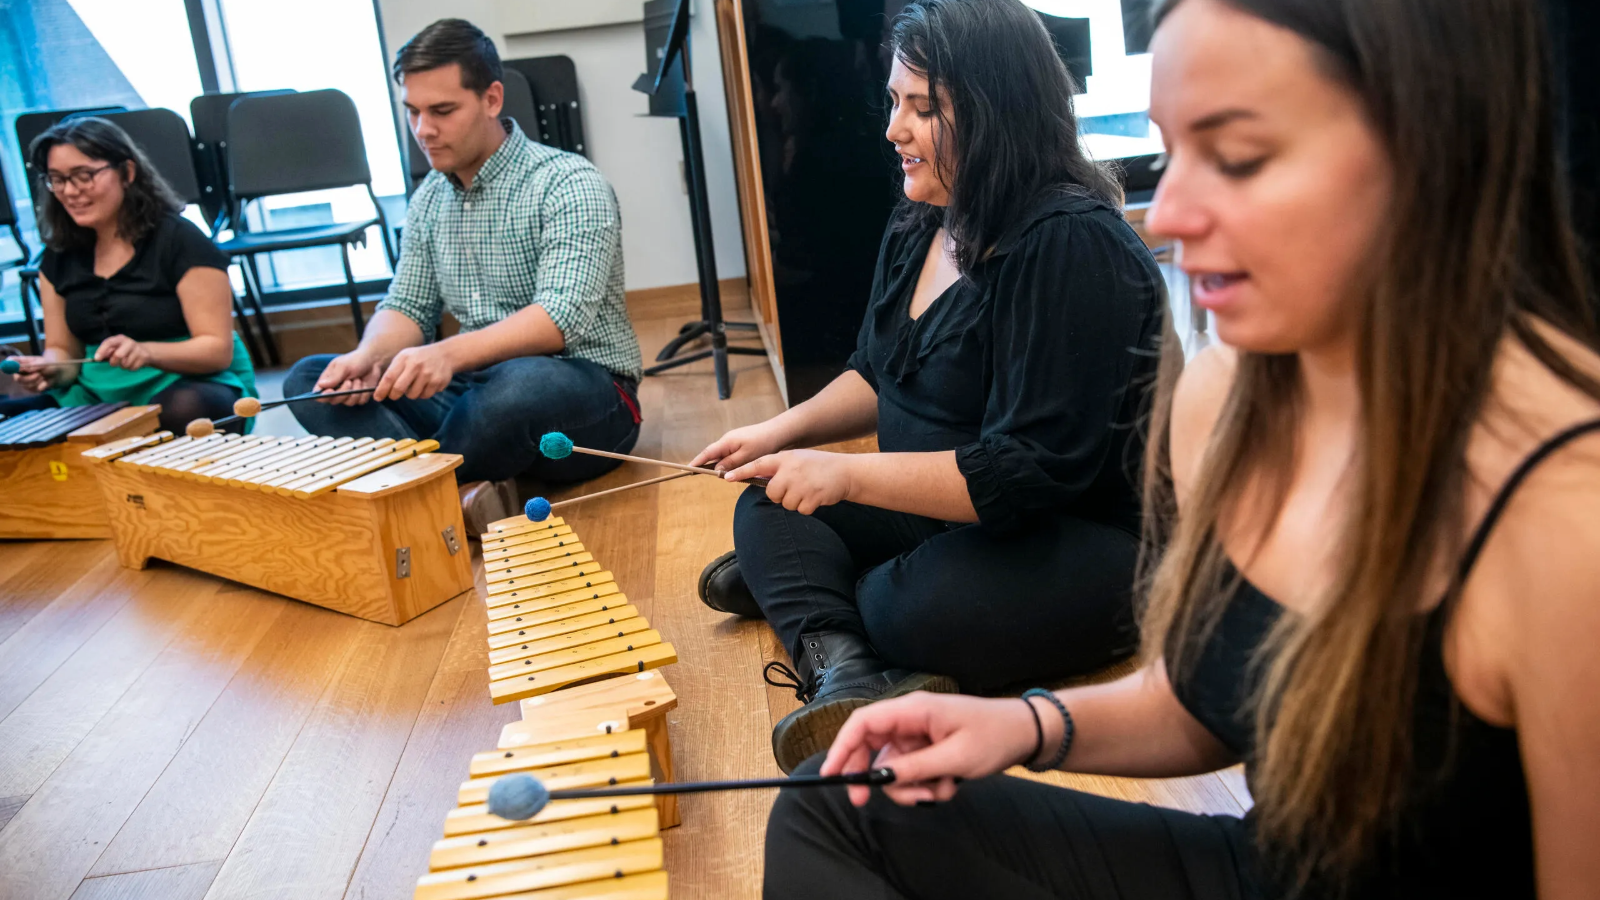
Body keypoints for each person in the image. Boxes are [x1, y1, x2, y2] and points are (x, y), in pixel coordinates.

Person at [763, 0, 1600, 897]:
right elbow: (1202, 703)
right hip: (1268, 868)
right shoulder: (1222, 400)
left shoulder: (1564, 519)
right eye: (1176, 150)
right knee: (832, 804)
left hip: (1055, 547)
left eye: (1237, 157)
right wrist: (1023, 727)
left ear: (1434, 144)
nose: (1173, 215)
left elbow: (1026, 470)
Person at [693, 0, 1167, 773]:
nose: (893, 130)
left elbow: (1024, 474)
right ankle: (844, 667)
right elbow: (879, 370)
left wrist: (846, 472)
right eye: (893, 102)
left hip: (1081, 536)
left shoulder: (1072, 245)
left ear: (996, 111)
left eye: (923, 108)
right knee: (767, 502)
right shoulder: (924, 216)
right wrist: (782, 433)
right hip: (946, 513)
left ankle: (831, 605)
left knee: (905, 606)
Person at [284, 18, 643, 533]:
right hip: (477, 397)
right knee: (311, 382)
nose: (422, 130)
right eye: (412, 112)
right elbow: (407, 305)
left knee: (516, 387)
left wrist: (445, 354)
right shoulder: (430, 196)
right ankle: (459, 484)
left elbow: (557, 320)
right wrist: (368, 358)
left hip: (588, 401)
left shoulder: (569, 182)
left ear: (492, 98)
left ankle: (413, 493)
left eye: (442, 111)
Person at [0, 118, 256, 433]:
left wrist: (146, 351)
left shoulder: (182, 241)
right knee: (9, 420)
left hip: (190, 382)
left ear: (127, 172)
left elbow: (215, 351)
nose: (70, 191)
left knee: (189, 411)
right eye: (57, 179)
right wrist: (50, 367)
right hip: (93, 395)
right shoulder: (58, 255)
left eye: (84, 176)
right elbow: (64, 351)